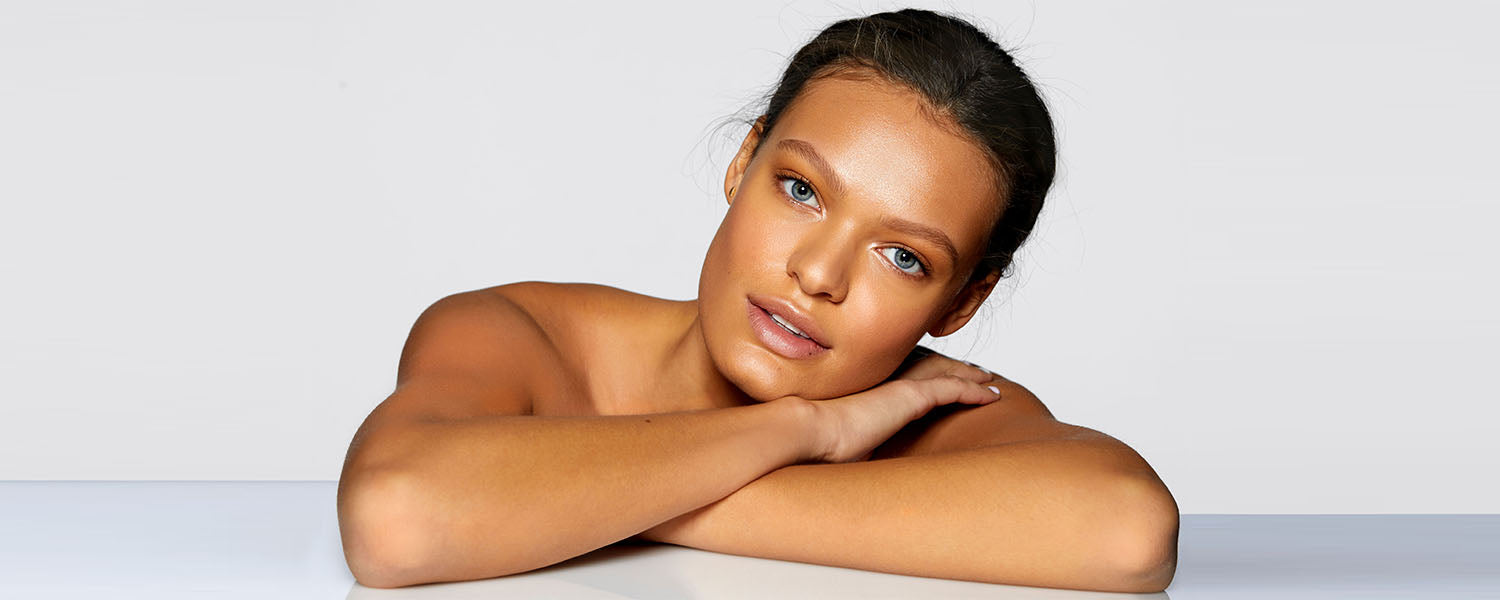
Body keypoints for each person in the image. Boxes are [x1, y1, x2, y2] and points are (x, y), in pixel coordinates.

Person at [336, 8, 1178, 593]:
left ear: (962, 303)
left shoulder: (940, 414)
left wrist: (574, 498)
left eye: (903, 256)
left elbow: (1127, 531)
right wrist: (801, 431)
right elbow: (396, 516)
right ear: (742, 164)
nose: (818, 274)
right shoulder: (519, 335)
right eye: (802, 189)